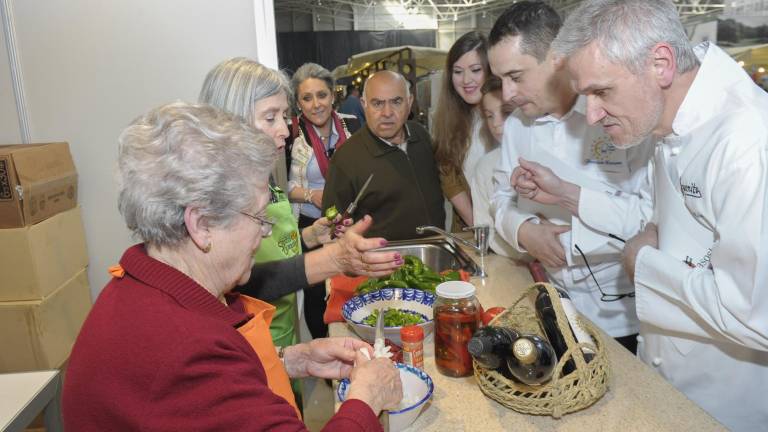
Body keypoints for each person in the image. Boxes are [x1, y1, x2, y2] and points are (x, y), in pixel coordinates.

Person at [62, 102, 402, 431]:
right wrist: (366, 399)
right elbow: (200, 379)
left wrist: (291, 360)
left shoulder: (141, 286)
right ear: (202, 224)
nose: (265, 231)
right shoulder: (188, 353)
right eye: (258, 216)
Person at [543, 1, 768, 429]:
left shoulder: (746, 143)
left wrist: (641, 263)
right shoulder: (663, 119)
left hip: (726, 406)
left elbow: (756, 316)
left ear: (661, 64)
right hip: (667, 378)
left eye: (601, 92)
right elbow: (653, 217)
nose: (590, 114)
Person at [199, 58, 403, 352]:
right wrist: (334, 259)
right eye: (270, 118)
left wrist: (310, 236)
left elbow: (273, 253)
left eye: (284, 116)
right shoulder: (216, 199)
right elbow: (240, 285)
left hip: (278, 340)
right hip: (247, 347)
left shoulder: (260, 180)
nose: (284, 129)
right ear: (231, 121)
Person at [488, 1, 651, 352]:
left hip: (621, 314)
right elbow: (500, 197)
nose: (507, 95)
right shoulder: (518, 124)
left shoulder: (620, 115)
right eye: (500, 80)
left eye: (516, 77)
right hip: (551, 301)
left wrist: (571, 235)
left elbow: (652, 220)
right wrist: (524, 230)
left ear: (557, 59)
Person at [323, 70, 445, 241]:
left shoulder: (421, 136)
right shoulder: (345, 159)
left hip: (437, 251)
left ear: (409, 102)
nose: (387, 113)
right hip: (381, 262)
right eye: (377, 103)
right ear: (364, 105)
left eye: (396, 101)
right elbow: (332, 231)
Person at [285, 63, 361, 338]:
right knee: (316, 296)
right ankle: (322, 349)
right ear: (298, 103)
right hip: (309, 225)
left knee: (349, 289)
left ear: (332, 95)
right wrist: (310, 195)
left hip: (347, 222)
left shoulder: (352, 124)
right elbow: (282, 187)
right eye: (307, 98)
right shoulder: (290, 132)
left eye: (322, 95)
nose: (316, 104)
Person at [432, 31, 489, 229]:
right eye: (458, 72)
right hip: (471, 231)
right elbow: (450, 179)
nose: (466, 80)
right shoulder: (447, 121)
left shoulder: (512, 119)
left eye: (475, 70)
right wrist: (478, 226)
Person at [468, 78, 516, 257]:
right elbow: (485, 228)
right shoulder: (485, 167)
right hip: (509, 264)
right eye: (490, 115)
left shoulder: (548, 159)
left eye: (506, 112)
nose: (496, 124)